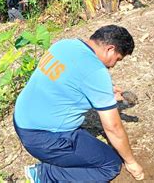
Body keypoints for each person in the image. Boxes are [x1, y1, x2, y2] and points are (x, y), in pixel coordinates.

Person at [14, 25, 144, 182]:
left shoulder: (65, 45)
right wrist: (131, 162)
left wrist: (104, 93)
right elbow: (113, 128)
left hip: (22, 119)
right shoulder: (96, 71)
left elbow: (67, 81)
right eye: (117, 59)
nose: (113, 65)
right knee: (110, 164)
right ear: (110, 49)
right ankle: (44, 175)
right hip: (43, 138)